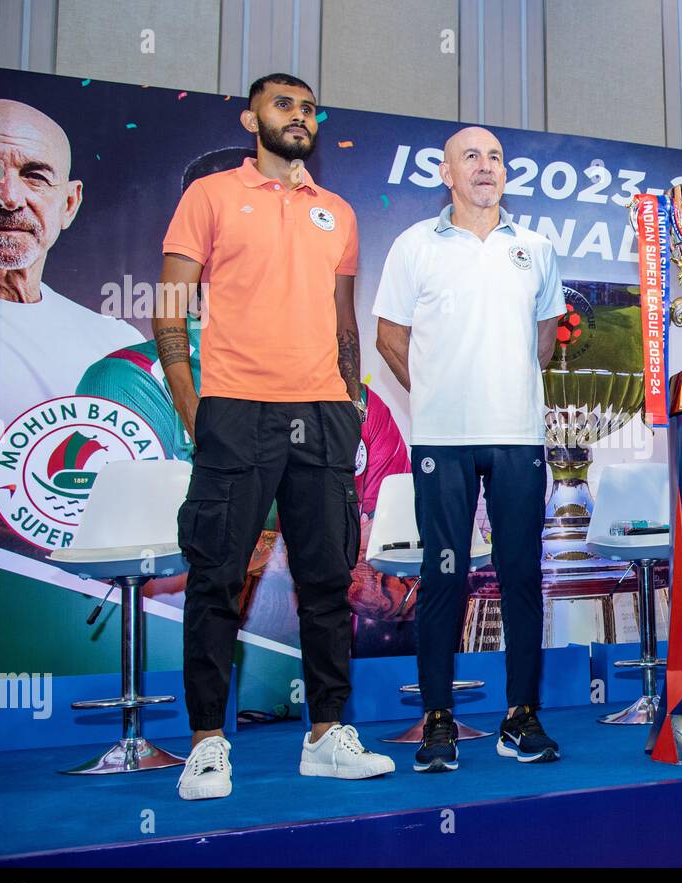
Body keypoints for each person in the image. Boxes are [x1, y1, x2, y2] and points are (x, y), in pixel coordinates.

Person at [159, 73, 394, 800]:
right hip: (236, 408)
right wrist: (194, 407)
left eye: (307, 107)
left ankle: (326, 733)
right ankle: (205, 742)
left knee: (327, 580)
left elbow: (345, 322)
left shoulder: (338, 212)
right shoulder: (209, 197)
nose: (299, 116)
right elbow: (171, 310)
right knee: (217, 574)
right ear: (251, 116)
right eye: (283, 104)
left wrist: (351, 406)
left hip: (323, 413)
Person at [373, 125, 564, 772]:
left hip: (517, 438)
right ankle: (438, 720)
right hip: (443, 442)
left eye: (496, 157)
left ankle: (521, 715)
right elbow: (389, 337)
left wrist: (503, 389)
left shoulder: (534, 247)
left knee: (520, 576)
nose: (486, 167)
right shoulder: (414, 245)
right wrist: (435, 396)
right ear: (447, 174)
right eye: (471, 157)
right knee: (444, 577)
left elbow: (543, 338)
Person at [0, 98, 141, 549]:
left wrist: (7, 479)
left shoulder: (116, 341)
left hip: (123, 614)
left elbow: (167, 482)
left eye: (34, 175)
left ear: (69, 203)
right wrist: (124, 515)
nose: (8, 197)